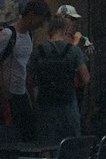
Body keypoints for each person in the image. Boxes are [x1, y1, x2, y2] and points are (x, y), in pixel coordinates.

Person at [0, 0, 52, 137]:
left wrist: (31, 98)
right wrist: (2, 87)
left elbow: (24, 68)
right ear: (32, 15)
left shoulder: (29, 36)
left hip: (20, 93)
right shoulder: (8, 34)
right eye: (40, 21)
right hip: (7, 94)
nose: (40, 26)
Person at [31, 17, 89, 146]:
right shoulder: (73, 50)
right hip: (68, 102)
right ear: (65, 30)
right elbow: (86, 78)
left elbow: (29, 80)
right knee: (71, 142)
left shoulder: (38, 50)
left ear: (49, 30)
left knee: (45, 144)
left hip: (44, 103)